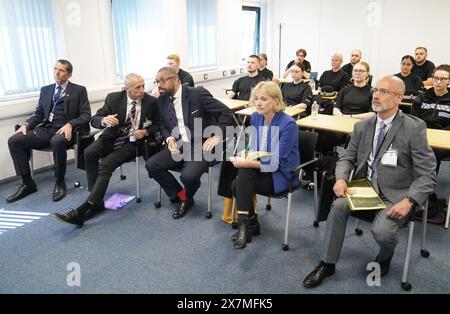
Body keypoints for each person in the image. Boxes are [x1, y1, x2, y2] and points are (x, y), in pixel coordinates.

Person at [303, 76, 437, 288]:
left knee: (383, 233)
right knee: (337, 206)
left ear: (398, 98)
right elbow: (347, 157)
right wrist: (341, 179)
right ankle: (327, 263)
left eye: (383, 91)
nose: (375, 94)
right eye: (376, 90)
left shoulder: (414, 128)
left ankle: (385, 256)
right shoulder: (363, 126)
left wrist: (410, 200)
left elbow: (428, 173)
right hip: (364, 188)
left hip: (397, 193)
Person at [53, 73, 160, 227]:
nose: (142, 90)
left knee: (106, 164)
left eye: (143, 86)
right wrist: (104, 120)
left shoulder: (151, 102)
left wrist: (146, 132)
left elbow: (158, 123)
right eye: (138, 87)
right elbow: (94, 119)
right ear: (126, 89)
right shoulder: (113, 98)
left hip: (133, 143)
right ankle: (96, 198)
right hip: (111, 137)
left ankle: (84, 209)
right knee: (89, 153)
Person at [146, 67, 235, 219]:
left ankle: (185, 197)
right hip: (178, 144)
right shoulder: (161, 100)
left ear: (174, 79)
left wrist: (217, 136)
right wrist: (169, 139)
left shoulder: (197, 94)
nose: (158, 85)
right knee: (152, 165)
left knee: (188, 177)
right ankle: (182, 196)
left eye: (162, 81)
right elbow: (162, 124)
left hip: (201, 144)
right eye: (156, 81)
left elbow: (226, 113)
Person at [7, 59, 91, 203]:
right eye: (55, 69)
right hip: (47, 129)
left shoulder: (79, 90)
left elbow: (86, 115)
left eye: (61, 70)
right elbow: (39, 112)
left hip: (66, 131)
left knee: (57, 141)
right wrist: (26, 124)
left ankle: (60, 181)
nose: (56, 73)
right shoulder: (46, 90)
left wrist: (71, 124)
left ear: (69, 74)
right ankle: (28, 183)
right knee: (15, 140)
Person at [230, 81, 300, 249]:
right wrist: (245, 153)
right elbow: (254, 145)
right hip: (261, 167)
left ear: (276, 101)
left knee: (239, 182)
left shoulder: (288, 124)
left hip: (281, 175)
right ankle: (247, 224)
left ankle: (247, 226)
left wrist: (247, 162)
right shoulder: (256, 117)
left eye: (264, 99)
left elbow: (276, 163)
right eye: (256, 99)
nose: (258, 103)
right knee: (239, 181)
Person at [411, 65, 450, 209]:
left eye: (443, 79)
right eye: (436, 78)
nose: (438, 82)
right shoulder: (422, 97)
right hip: (422, 136)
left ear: (448, 81)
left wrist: (440, 135)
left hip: (443, 141)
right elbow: (413, 119)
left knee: (431, 155)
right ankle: (413, 188)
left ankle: (425, 191)